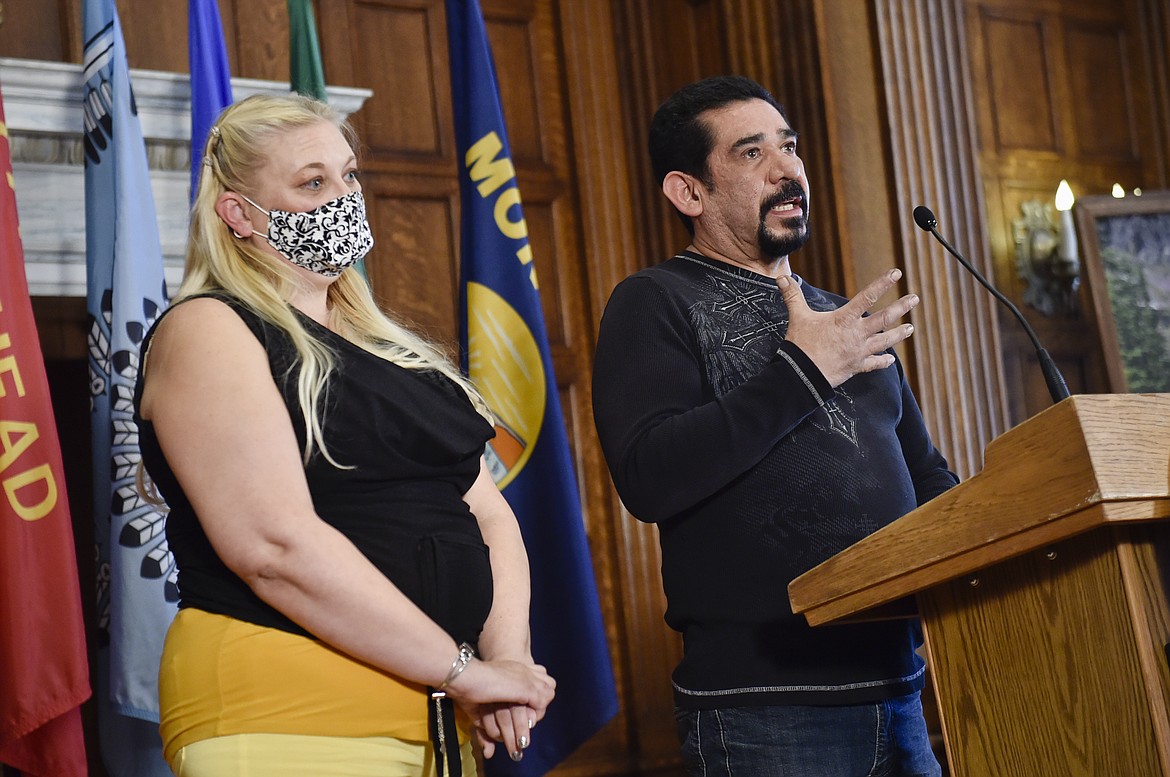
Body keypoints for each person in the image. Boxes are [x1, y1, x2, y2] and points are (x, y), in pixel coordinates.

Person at [134, 93, 554, 776]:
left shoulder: (397, 355)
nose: (343, 197)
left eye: (349, 176)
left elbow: (488, 515)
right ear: (238, 212)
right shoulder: (209, 329)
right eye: (312, 182)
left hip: (438, 716)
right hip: (286, 711)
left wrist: (505, 659)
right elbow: (272, 547)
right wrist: (461, 669)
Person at [591, 75, 959, 776]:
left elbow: (927, 477)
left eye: (788, 148)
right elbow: (650, 475)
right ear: (688, 192)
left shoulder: (839, 320)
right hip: (764, 708)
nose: (787, 169)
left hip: (903, 693)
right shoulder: (653, 302)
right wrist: (804, 371)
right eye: (752, 153)